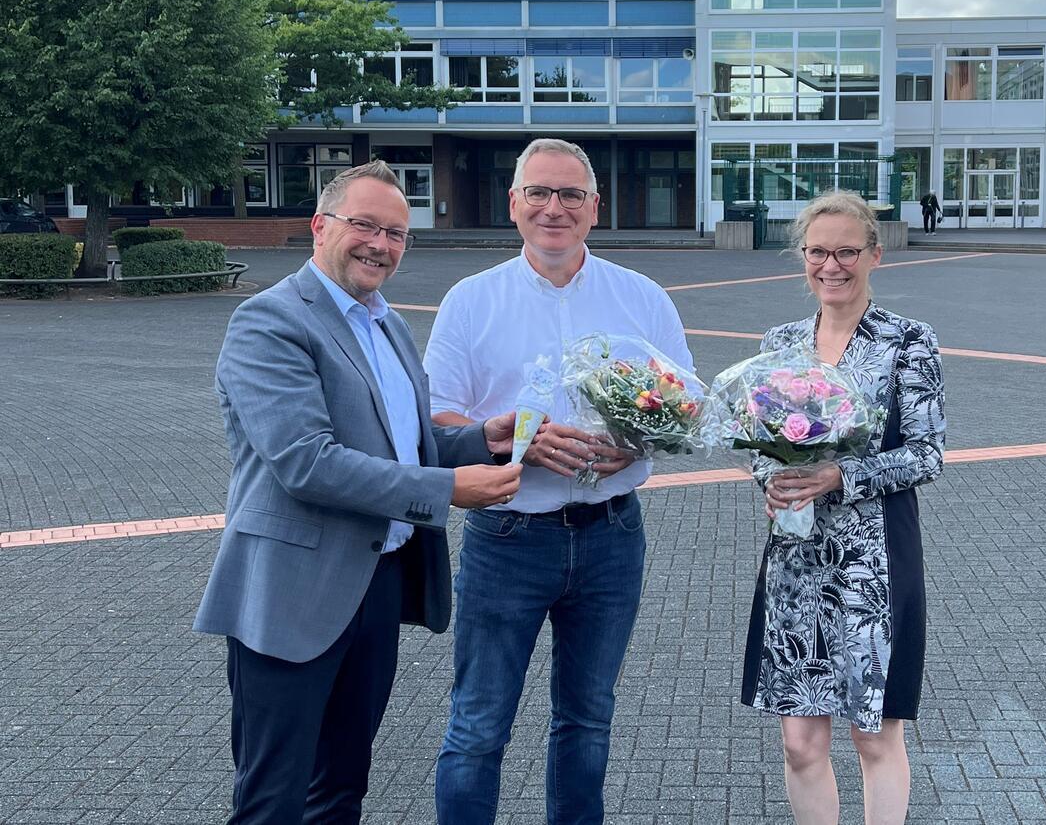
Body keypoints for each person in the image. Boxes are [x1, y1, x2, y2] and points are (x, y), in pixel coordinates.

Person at [194, 161, 522, 824]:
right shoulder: (269, 321)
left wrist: (479, 439)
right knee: (272, 800)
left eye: (396, 233)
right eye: (365, 225)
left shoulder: (386, 323)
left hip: (375, 583)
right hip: (291, 593)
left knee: (342, 787)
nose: (380, 244)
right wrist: (447, 489)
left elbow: (400, 441)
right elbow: (306, 462)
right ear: (320, 225)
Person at [425, 138, 695, 825]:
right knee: (479, 724)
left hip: (611, 536)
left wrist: (638, 439)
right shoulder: (470, 300)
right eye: (539, 192)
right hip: (508, 536)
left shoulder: (642, 297)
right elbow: (434, 417)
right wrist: (517, 440)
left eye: (571, 194)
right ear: (513, 203)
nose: (555, 207)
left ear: (594, 207)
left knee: (587, 720)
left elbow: (686, 407)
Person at [741, 190, 945, 825]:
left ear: (875, 255)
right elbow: (760, 443)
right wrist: (771, 479)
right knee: (800, 743)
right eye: (818, 252)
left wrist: (838, 475)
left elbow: (927, 453)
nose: (831, 266)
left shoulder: (907, 341)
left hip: (872, 562)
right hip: (797, 559)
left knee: (873, 736)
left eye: (847, 252)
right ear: (802, 256)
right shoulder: (781, 342)